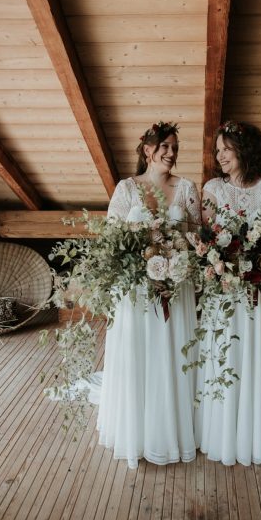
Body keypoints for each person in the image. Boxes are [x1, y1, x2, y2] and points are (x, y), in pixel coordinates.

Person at [97, 121, 201, 468]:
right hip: (138, 291)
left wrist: (177, 251)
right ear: (148, 151)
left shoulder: (187, 188)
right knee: (141, 354)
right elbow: (113, 238)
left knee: (172, 354)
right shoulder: (127, 189)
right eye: (165, 147)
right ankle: (137, 431)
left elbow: (197, 236)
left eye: (174, 147)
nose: (171, 153)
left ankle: (172, 428)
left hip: (177, 287)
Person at [195, 120, 261, 466]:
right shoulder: (212, 188)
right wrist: (226, 260)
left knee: (258, 355)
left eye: (226, 149)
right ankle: (223, 431)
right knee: (227, 356)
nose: (220, 156)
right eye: (218, 151)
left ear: (244, 149)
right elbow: (207, 239)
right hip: (226, 290)